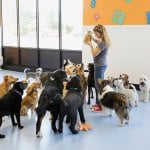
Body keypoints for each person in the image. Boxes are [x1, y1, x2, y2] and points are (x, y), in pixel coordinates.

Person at [85, 24, 111, 112]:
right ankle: (98, 103)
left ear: (101, 33)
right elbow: (97, 41)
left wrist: (90, 45)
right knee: (98, 85)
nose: (95, 35)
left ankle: (100, 106)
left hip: (99, 66)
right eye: (94, 33)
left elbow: (94, 53)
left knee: (98, 86)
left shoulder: (103, 43)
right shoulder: (103, 40)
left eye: (96, 33)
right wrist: (92, 37)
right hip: (100, 65)